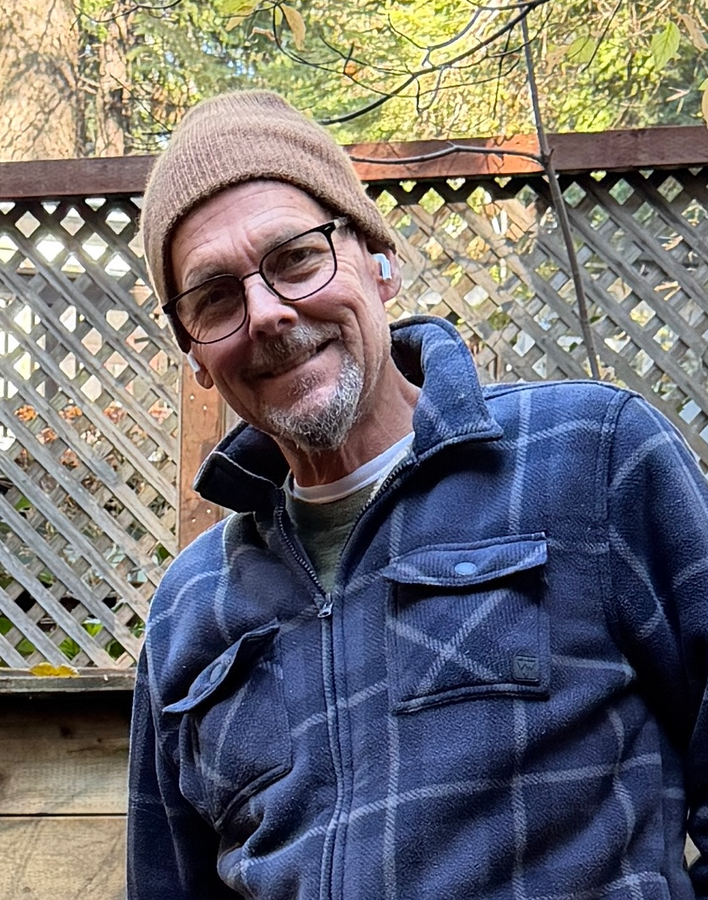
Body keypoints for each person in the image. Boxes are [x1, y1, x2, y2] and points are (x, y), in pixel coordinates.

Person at [127, 89, 708, 900]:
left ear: (379, 261)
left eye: (295, 258)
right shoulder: (188, 611)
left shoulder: (592, 455)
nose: (266, 314)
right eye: (215, 297)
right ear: (194, 353)